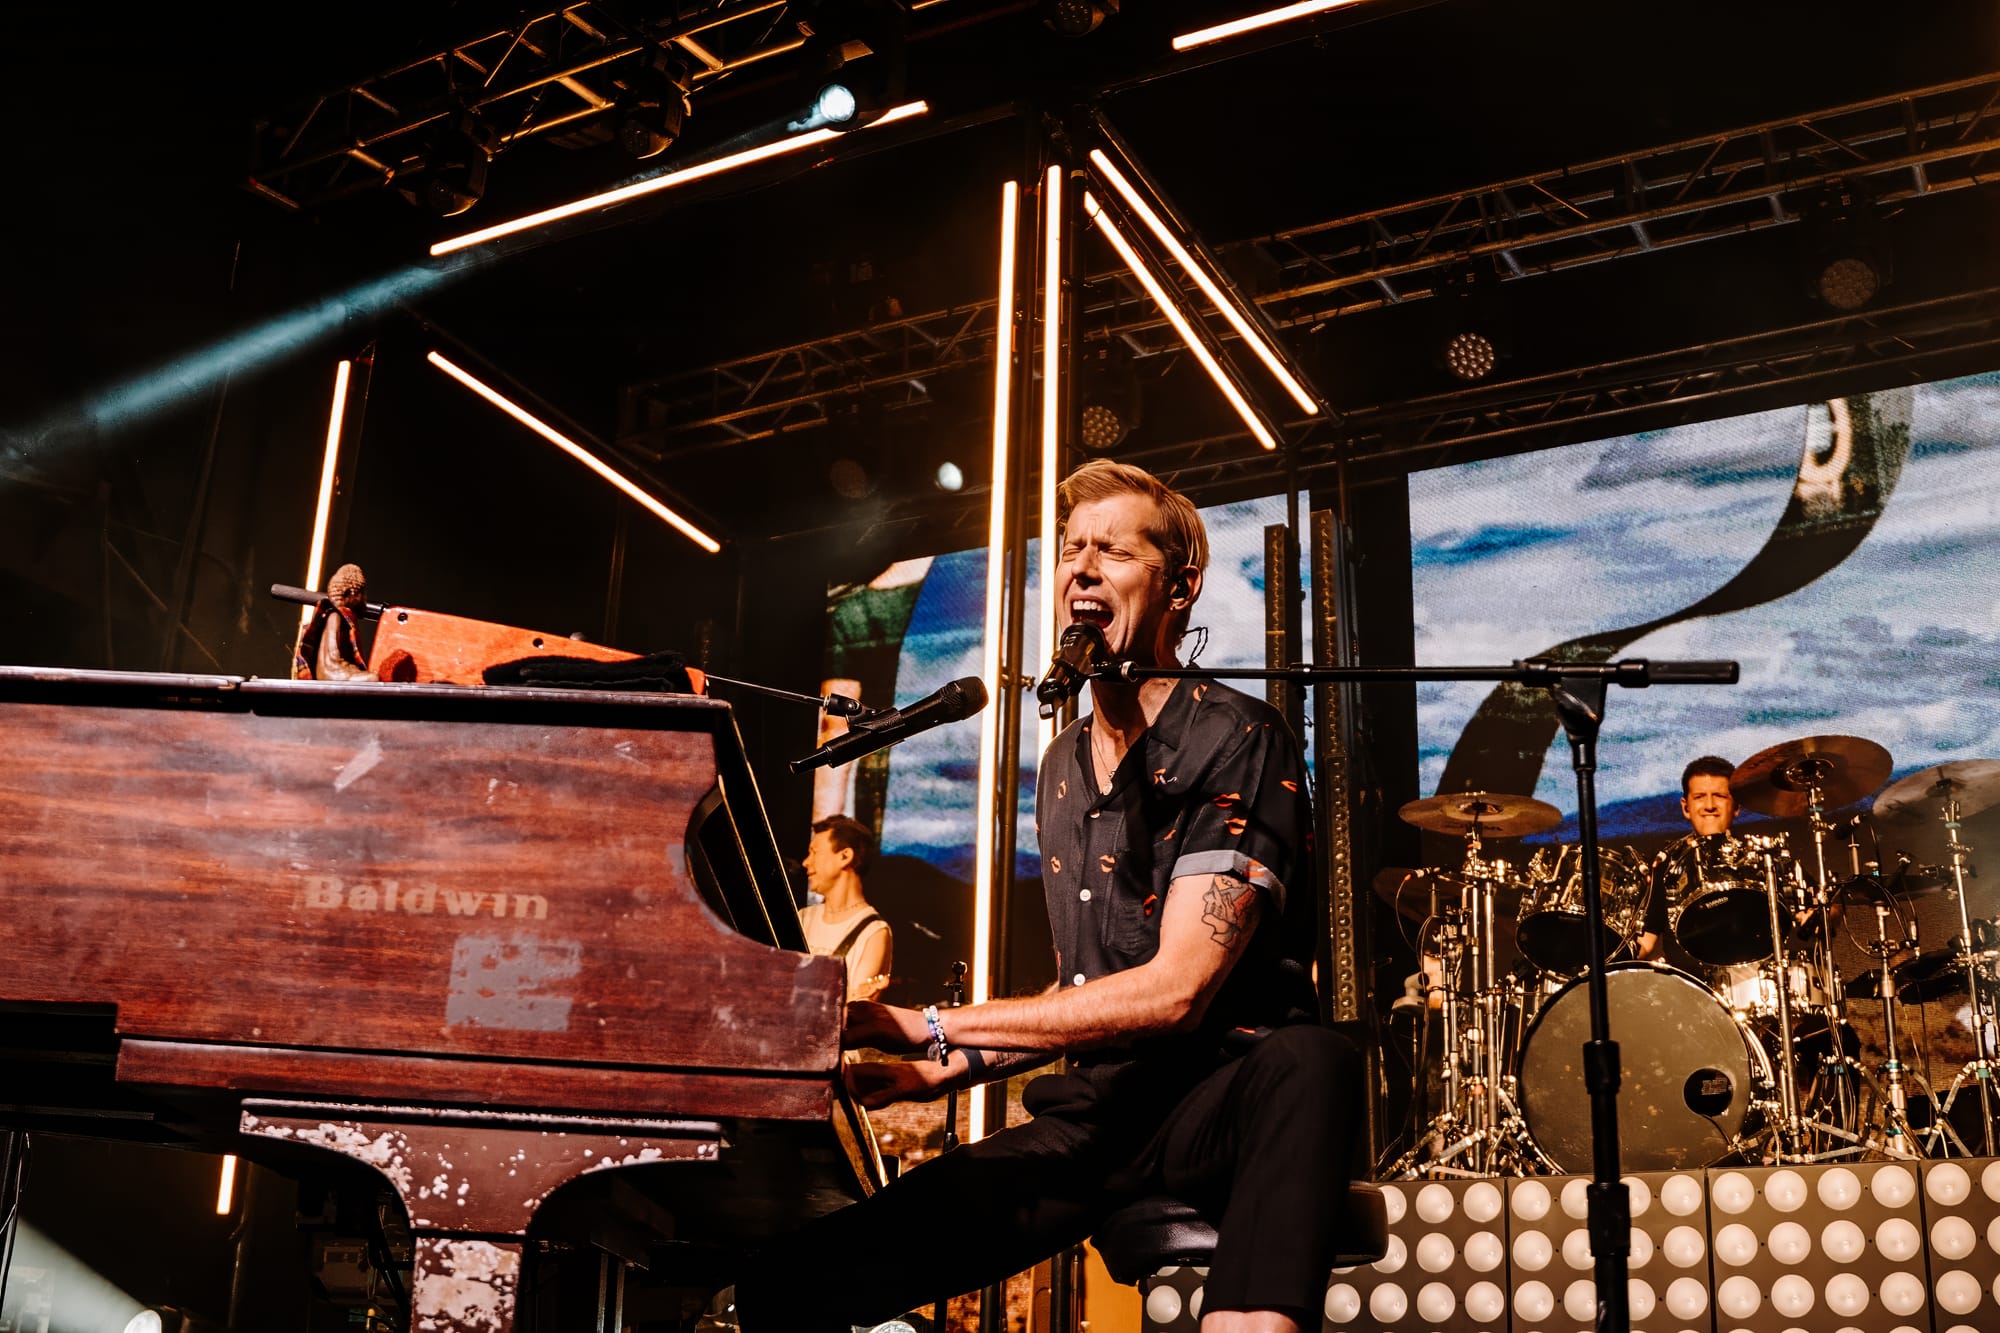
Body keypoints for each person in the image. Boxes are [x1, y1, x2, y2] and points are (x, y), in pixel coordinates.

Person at [734, 460, 1360, 1333]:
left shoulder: (1238, 734)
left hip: (1219, 1107)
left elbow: (1174, 993)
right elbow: (1082, 994)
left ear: (1180, 588)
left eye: (1114, 550)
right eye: (1071, 549)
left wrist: (931, 1023)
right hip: (1099, 1120)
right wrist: (931, 1070)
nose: (1083, 568)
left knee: (1311, 1060)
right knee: (789, 1284)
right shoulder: (1063, 764)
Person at [799, 814, 893, 1003]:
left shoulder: (873, 932)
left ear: (845, 856)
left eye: (814, 852)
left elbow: (853, 1010)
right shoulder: (802, 918)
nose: (806, 862)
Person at [292, 563, 371, 681]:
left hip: (335, 669)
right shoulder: (336, 616)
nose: (363, 600)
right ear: (349, 593)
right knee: (373, 678)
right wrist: (339, 666)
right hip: (333, 671)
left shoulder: (335, 615)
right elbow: (333, 655)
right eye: (361, 594)